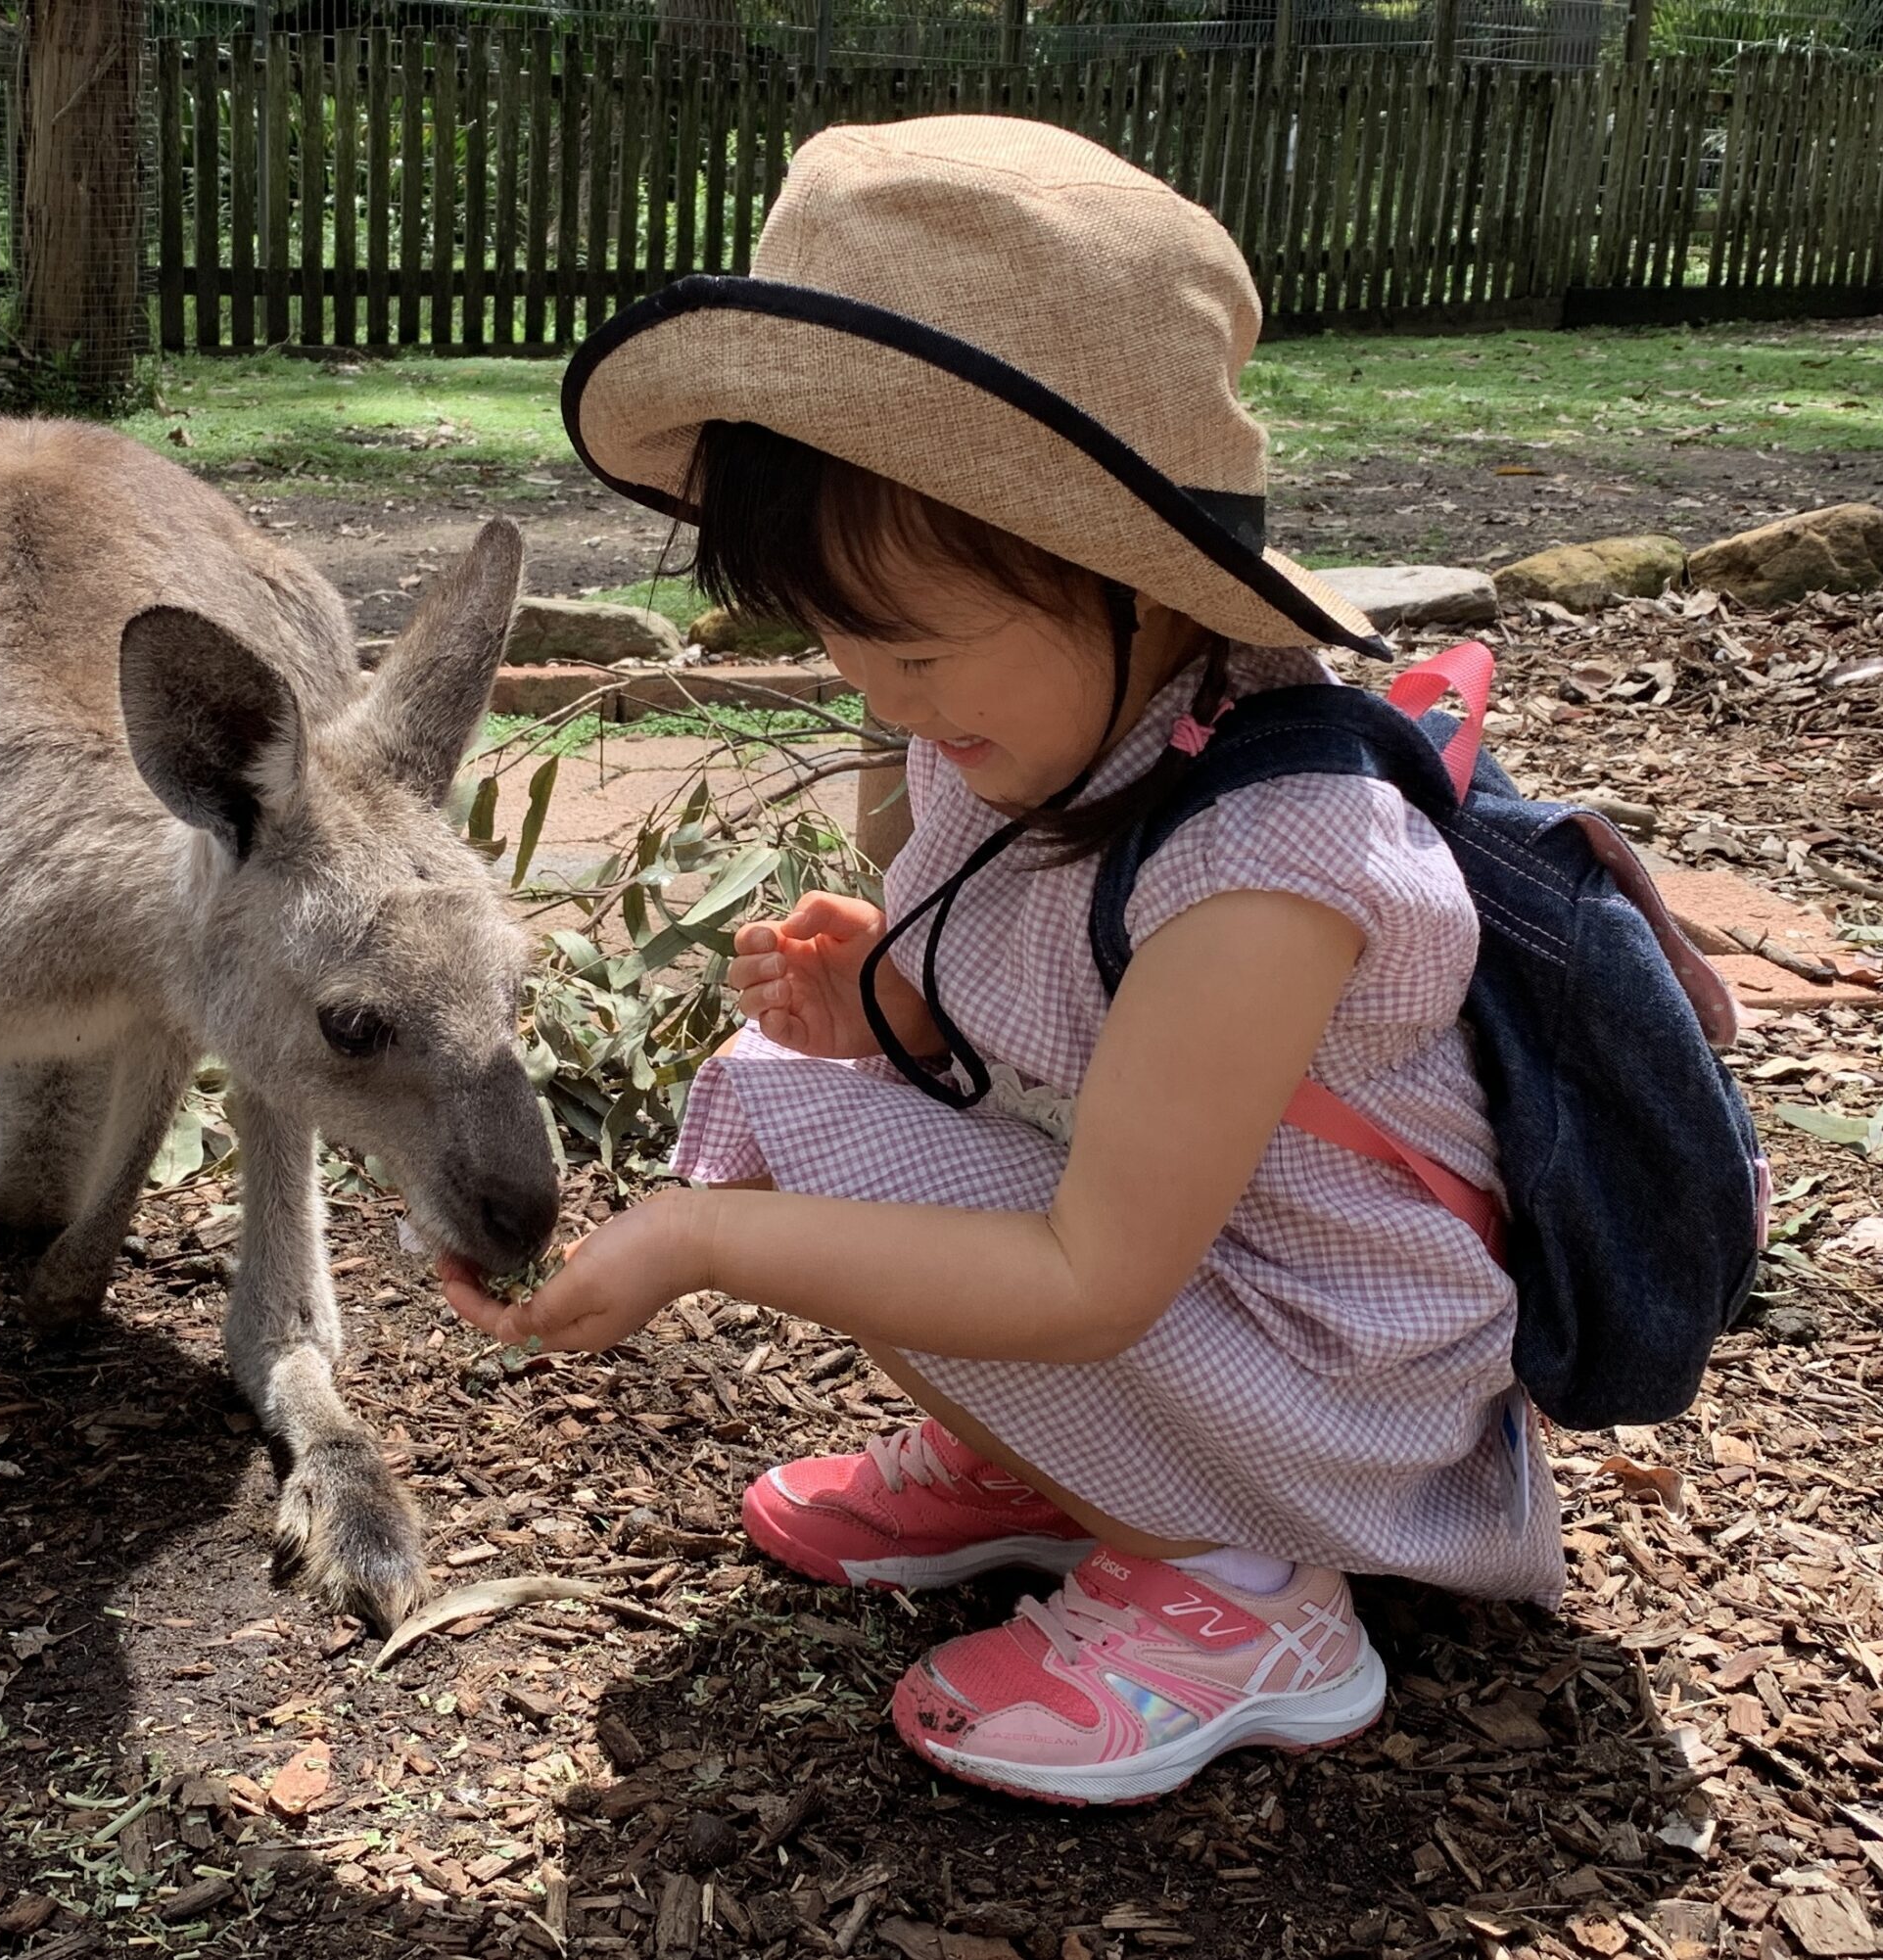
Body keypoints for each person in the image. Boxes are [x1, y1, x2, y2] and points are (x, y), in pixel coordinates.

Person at [444, 116, 1565, 1807]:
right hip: (1219, 1301)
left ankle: (1246, 1599)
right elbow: (1052, 1033)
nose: (883, 703)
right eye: (838, 645)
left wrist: (694, 1238)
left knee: (782, 1146)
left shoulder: (1271, 859)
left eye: (911, 645)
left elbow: (1094, 1272)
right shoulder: (1029, 732)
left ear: (1124, 573)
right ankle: (1063, 1463)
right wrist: (885, 994)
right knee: (789, 1084)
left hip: (1342, 1392)